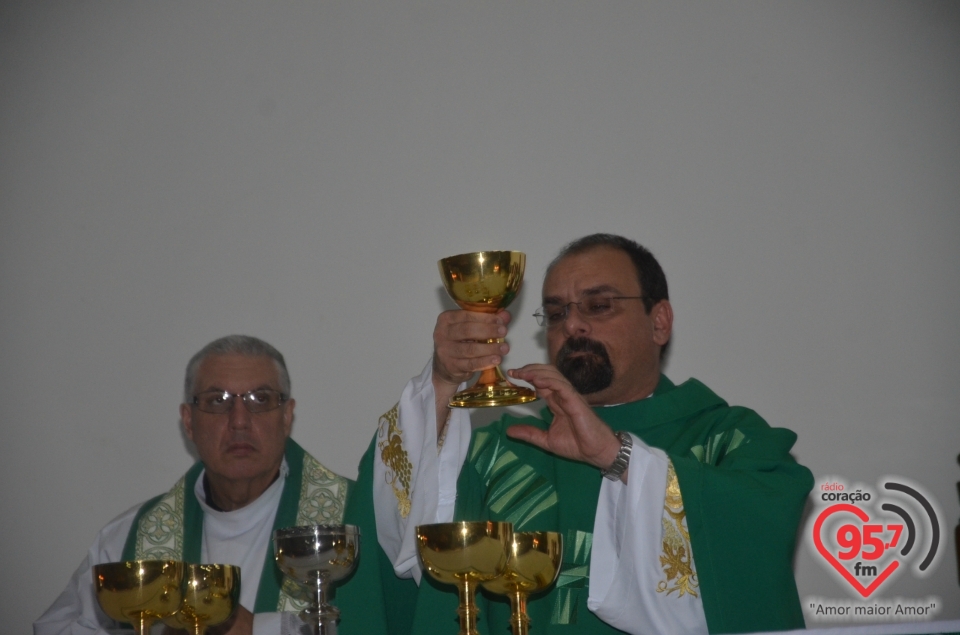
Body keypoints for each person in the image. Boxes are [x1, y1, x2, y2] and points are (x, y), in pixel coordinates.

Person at [352, 234, 814, 634]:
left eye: (599, 306)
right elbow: (401, 529)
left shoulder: (727, 439)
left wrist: (618, 456)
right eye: (555, 314)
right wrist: (442, 381)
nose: (572, 325)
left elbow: (753, 545)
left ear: (660, 322)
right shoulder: (506, 449)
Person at [34, 335, 368, 635]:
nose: (239, 421)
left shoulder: (357, 522)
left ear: (286, 417)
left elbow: (389, 624)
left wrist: (259, 631)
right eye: (218, 400)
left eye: (261, 399)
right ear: (189, 422)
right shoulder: (127, 538)